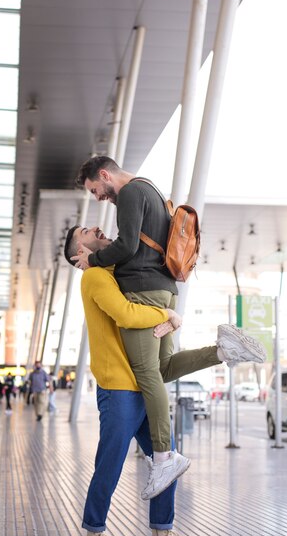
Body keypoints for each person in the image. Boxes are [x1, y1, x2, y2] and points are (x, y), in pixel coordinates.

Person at [64, 225, 267, 536]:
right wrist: (168, 315)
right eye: (86, 231)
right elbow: (127, 315)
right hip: (119, 387)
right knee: (109, 466)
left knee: (166, 462)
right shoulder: (94, 277)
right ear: (78, 252)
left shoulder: (120, 271)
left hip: (145, 382)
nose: (96, 228)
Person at [71, 156, 266, 500]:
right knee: (162, 368)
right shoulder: (152, 191)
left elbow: (127, 246)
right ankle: (223, 350)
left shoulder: (130, 193)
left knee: (148, 374)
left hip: (145, 292)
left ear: (104, 175)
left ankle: (163, 456)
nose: (98, 197)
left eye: (95, 190)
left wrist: (92, 260)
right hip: (164, 291)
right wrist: (168, 313)